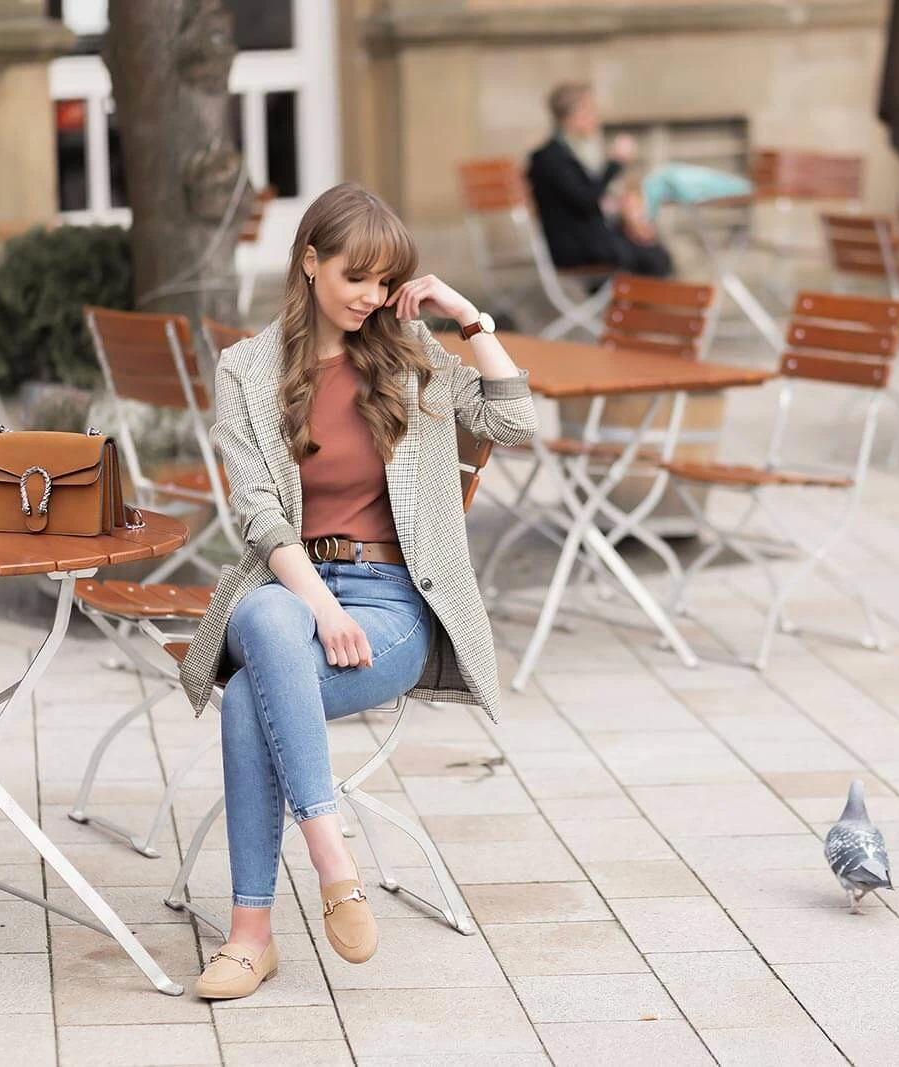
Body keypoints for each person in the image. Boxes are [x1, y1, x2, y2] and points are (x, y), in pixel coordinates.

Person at [176, 182, 538, 1000]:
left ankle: (250, 935)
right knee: (269, 616)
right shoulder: (247, 369)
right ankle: (332, 853)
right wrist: (322, 607)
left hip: (394, 605)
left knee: (246, 700)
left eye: (386, 282)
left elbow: (514, 423)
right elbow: (259, 515)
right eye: (355, 278)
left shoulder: (408, 358)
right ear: (309, 262)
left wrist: (465, 315)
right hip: (298, 585)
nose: (372, 298)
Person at [526, 82, 674, 278]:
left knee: (652, 247)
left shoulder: (567, 152)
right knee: (654, 257)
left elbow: (587, 197)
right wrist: (615, 163)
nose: (596, 118)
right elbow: (587, 199)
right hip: (577, 247)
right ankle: (639, 307)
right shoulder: (550, 157)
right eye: (591, 111)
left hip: (590, 240)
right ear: (573, 115)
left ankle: (633, 306)